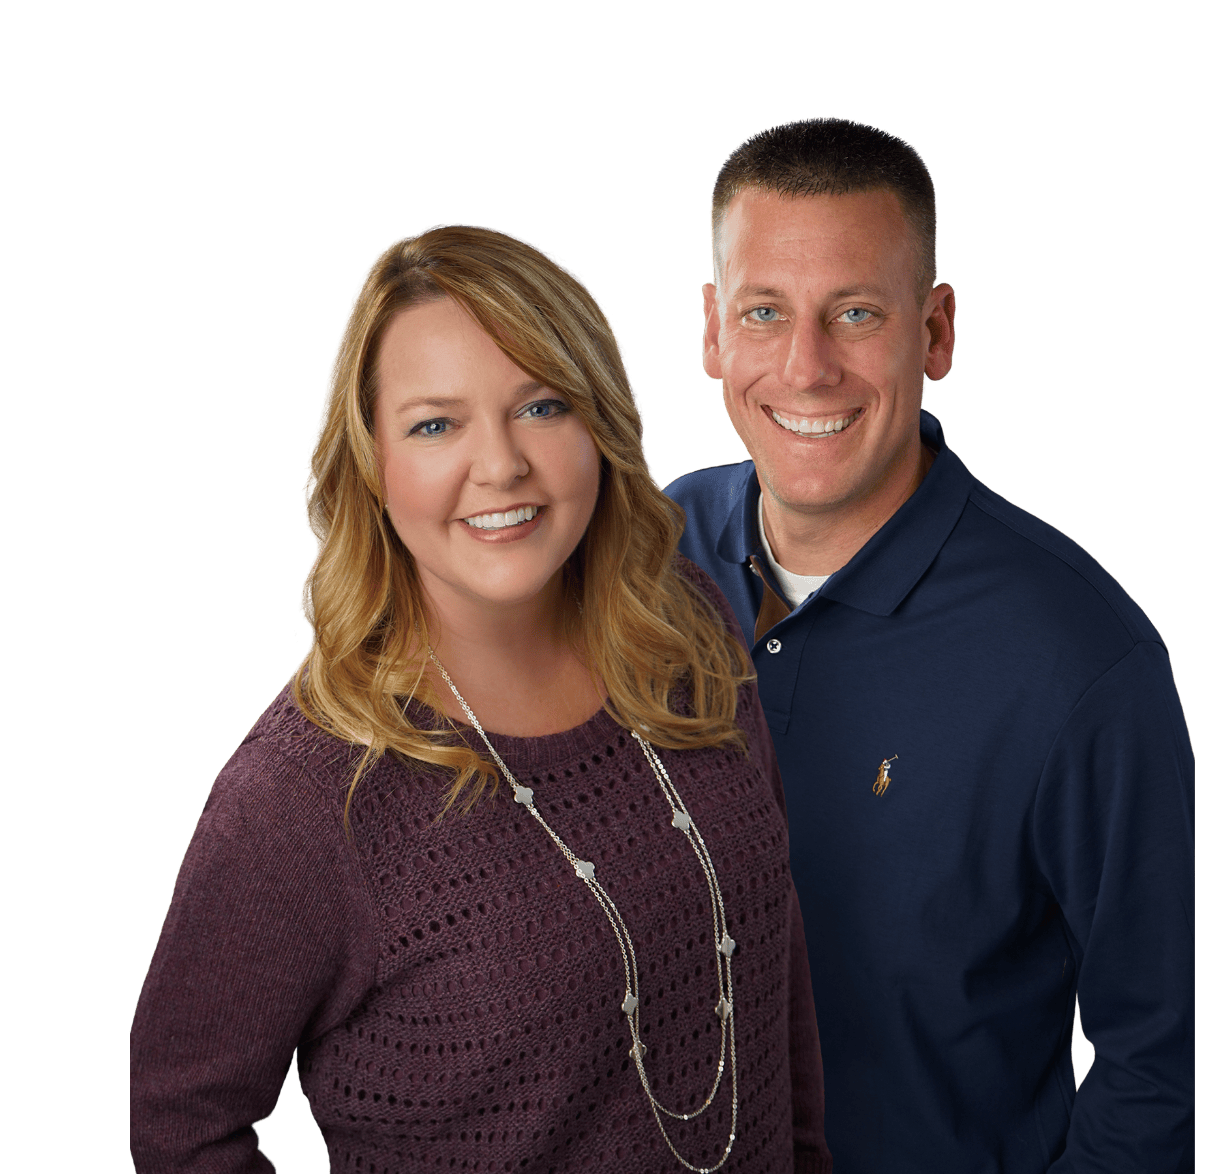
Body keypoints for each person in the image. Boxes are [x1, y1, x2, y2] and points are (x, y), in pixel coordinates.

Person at [130, 224, 833, 1173]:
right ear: (373, 464)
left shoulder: (690, 628)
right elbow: (184, 1126)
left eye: (541, 406)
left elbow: (765, 944)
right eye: (434, 424)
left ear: (602, 420)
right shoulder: (304, 799)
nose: (500, 465)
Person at [667, 119, 1194, 1171]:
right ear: (715, 330)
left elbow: (1154, 1069)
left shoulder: (1082, 661)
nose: (806, 368)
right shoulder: (637, 566)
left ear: (936, 332)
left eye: (855, 312)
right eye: (765, 313)